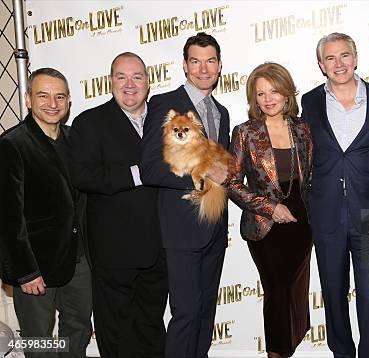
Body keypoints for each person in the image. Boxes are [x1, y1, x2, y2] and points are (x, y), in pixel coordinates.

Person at [300, 32, 369, 358]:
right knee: (332, 292)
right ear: (321, 64)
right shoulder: (310, 102)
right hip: (327, 212)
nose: (338, 63)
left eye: (344, 55)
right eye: (330, 58)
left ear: (355, 58)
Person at [68, 52, 167, 357]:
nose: (129, 85)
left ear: (148, 83)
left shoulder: (167, 120)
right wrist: (137, 174)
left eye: (137, 77)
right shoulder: (89, 122)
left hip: (159, 246)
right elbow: (82, 175)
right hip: (114, 251)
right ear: (110, 82)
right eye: (121, 77)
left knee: (152, 326)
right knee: (116, 330)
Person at [141, 32, 230, 358]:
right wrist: (202, 169)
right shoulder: (165, 105)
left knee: (206, 314)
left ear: (220, 66)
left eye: (210, 62)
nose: (203, 69)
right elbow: (150, 168)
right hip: (180, 232)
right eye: (196, 61)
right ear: (185, 66)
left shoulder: (221, 112)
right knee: (187, 314)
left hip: (215, 230)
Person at [0, 68, 92, 357]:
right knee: (39, 340)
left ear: (68, 102)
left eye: (59, 96)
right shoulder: (11, 145)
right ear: (28, 99)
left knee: (77, 328)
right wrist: (24, 272)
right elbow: (7, 218)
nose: (52, 103)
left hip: (78, 261)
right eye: (43, 95)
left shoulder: (76, 139)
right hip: (35, 265)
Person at [226, 63, 313, 358]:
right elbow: (231, 183)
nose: (268, 99)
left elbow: (310, 177)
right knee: (276, 292)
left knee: (294, 293)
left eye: (274, 91)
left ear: (287, 92)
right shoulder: (245, 133)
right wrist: (269, 207)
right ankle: (276, 353)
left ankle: (288, 348)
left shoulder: (302, 129)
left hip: (301, 223)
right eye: (260, 93)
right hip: (265, 227)